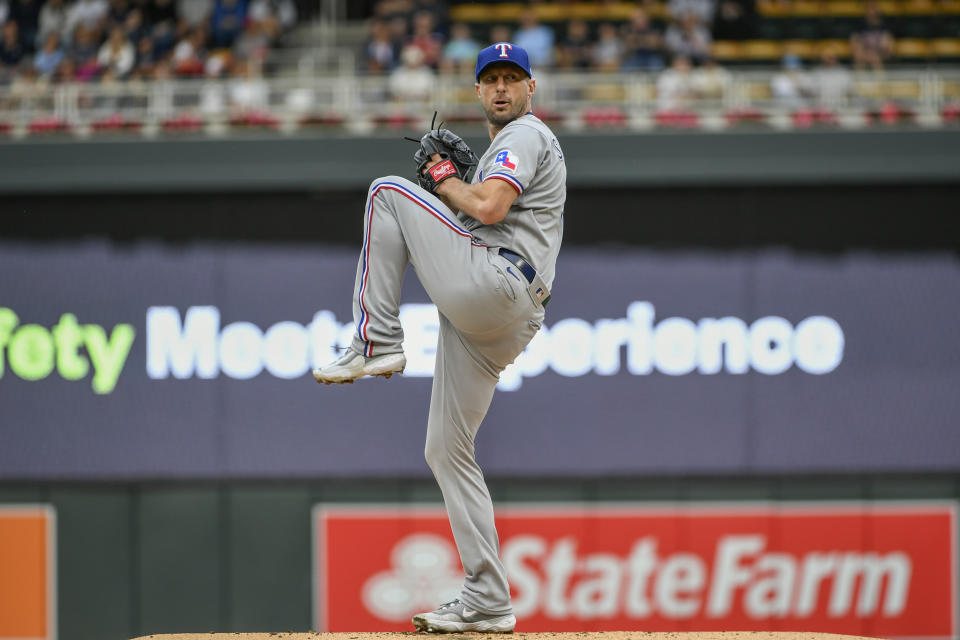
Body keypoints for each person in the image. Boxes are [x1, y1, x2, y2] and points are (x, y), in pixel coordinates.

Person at [312, 42, 565, 634]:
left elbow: (491, 206)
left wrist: (447, 180)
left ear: (532, 89)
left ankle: (376, 341)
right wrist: (460, 186)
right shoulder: (507, 146)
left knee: (386, 193)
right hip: (501, 317)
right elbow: (481, 209)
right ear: (478, 91)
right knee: (445, 450)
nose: (502, 88)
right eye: (491, 79)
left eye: (513, 78)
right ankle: (488, 599)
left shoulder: (525, 134)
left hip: (499, 283)